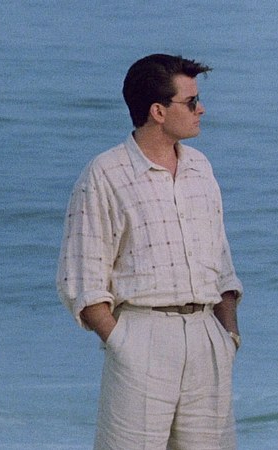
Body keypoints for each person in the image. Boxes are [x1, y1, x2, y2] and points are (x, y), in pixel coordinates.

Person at [56, 54, 243, 450]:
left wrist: (229, 334)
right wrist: (122, 343)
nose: (201, 109)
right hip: (142, 337)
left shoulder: (200, 168)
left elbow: (222, 263)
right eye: (191, 102)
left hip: (207, 338)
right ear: (158, 111)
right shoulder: (105, 174)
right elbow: (82, 278)